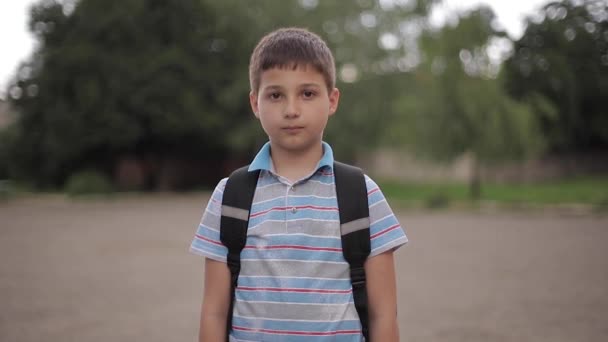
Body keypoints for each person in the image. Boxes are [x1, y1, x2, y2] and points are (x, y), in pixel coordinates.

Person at [190, 27, 408, 342]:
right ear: (255, 103)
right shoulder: (231, 196)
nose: (291, 110)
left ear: (332, 100)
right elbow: (213, 311)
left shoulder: (362, 193)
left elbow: (384, 314)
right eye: (276, 95)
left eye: (307, 93)